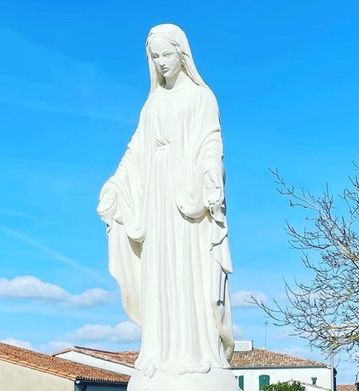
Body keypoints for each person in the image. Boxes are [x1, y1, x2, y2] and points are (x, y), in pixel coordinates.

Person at [97, 23, 234, 379]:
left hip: (188, 202)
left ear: (182, 54)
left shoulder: (201, 97)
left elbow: (210, 143)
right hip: (157, 200)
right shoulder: (152, 103)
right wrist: (115, 185)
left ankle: (195, 352)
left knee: (189, 272)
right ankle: (160, 353)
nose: (161, 63)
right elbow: (136, 151)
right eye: (154, 57)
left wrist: (210, 178)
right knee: (160, 273)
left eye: (166, 55)